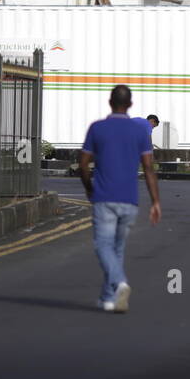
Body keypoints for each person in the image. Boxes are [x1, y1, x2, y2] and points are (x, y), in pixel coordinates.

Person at [78, 85, 161, 313]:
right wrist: (155, 202)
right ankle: (108, 298)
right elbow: (149, 168)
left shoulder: (97, 128)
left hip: (104, 198)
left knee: (103, 245)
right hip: (130, 200)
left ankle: (120, 282)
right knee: (117, 249)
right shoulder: (139, 133)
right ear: (130, 105)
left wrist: (88, 188)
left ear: (109, 101)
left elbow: (83, 163)